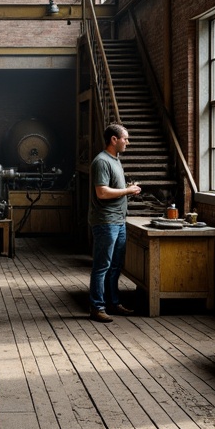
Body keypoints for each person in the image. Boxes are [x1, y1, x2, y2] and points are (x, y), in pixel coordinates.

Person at [87, 123, 141, 322]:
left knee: (115, 266)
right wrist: (127, 191)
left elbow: (112, 188)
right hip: (106, 222)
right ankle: (97, 307)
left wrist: (127, 188)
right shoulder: (101, 161)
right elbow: (101, 192)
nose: (127, 142)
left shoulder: (115, 160)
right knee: (102, 266)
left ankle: (113, 303)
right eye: (125, 138)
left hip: (118, 220)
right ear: (114, 139)